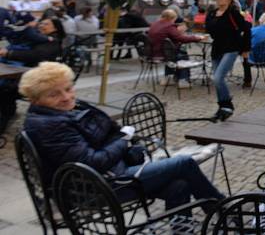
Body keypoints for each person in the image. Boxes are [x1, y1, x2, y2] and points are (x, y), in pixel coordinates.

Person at [20, 62, 224, 229]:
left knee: (179, 186)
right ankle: (223, 211)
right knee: (184, 164)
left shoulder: (67, 110)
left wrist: (124, 141)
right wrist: (124, 141)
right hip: (94, 189)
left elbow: (109, 129)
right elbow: (93, 162)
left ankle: (184, 231)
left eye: (68, 88)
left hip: (108, 175)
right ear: (35, 100)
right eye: (53, 94)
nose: (66, 97)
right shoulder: (48, 125)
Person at [204, 0, 251, 120]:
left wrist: (246, 49)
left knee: (218, 78)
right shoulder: (212, 13)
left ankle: (227, 104)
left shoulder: (233, 13)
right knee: (218, 80)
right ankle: (222, 108)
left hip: (231, 48)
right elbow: (208, 28)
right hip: (217, 48)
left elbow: (247, 29)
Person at [147, 9, 204, 89]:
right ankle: (183, 80)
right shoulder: (169, 26)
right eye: (174, 19)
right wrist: (196, 38)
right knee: (182, 54)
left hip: (152, 52)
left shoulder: (154, 24)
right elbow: (181, 39)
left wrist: (176, 31)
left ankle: (168, 78)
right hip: (162, 54)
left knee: (172, 53)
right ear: (172, 18)